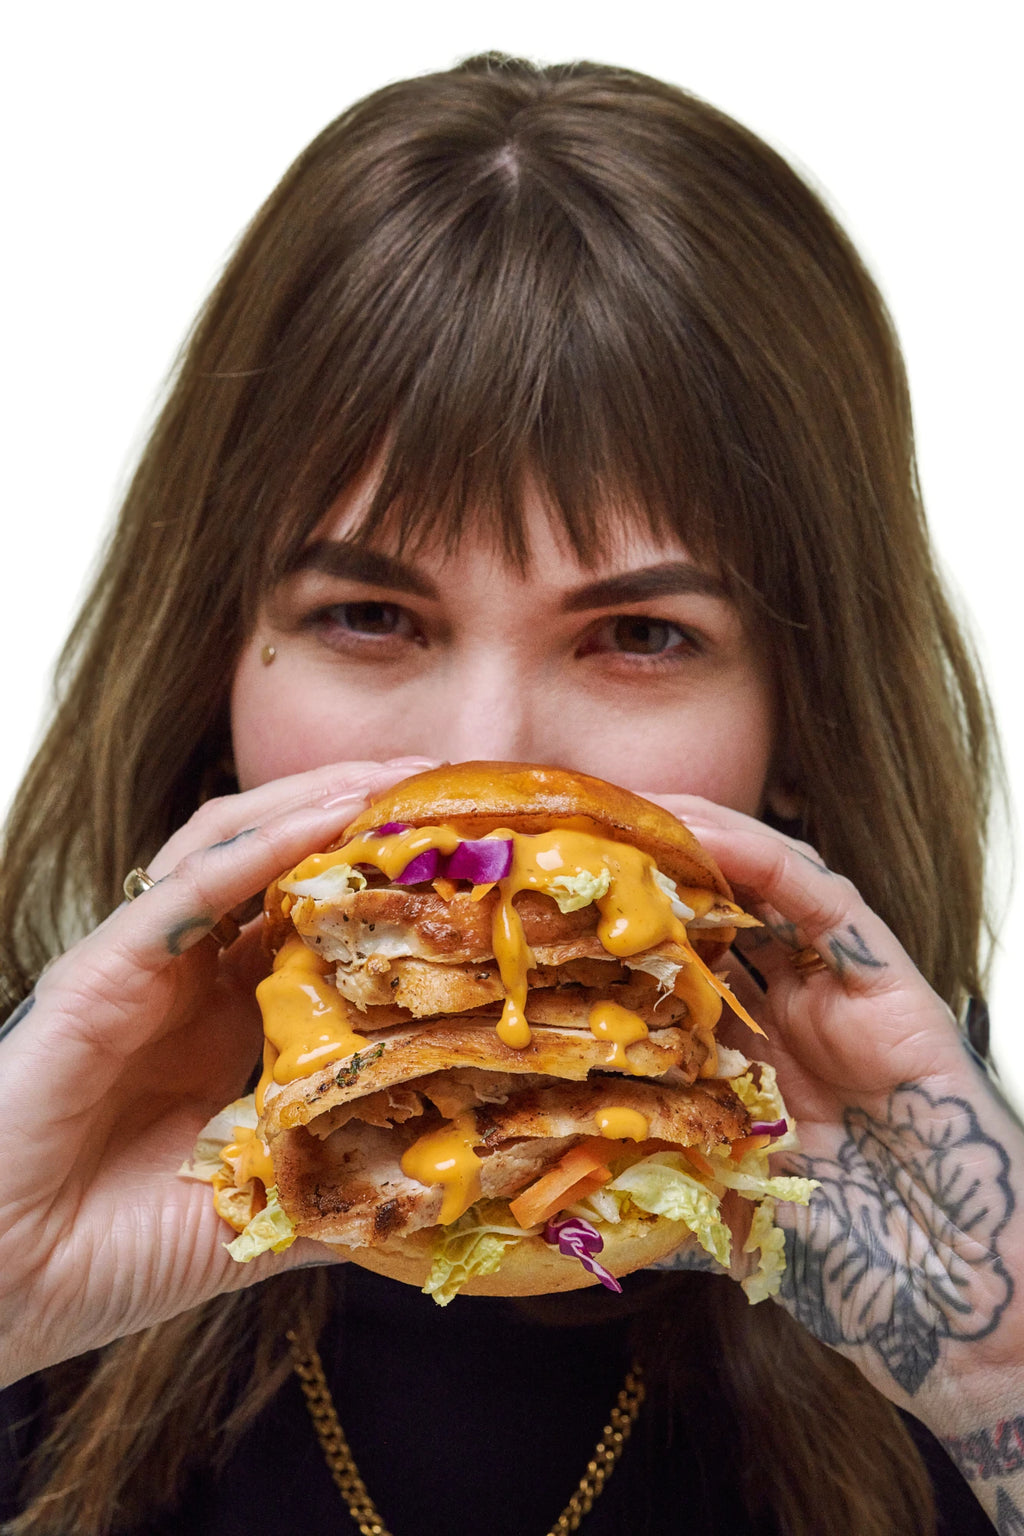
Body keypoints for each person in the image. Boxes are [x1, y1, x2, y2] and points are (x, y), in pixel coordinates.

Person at [0, 52, 1020, 1536]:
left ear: (797, 722)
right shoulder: (41, 1163)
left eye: (641, 638)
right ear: (214, 665)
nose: (480, 769)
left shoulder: (938, 1229)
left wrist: (999, 1382)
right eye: (369, 617)